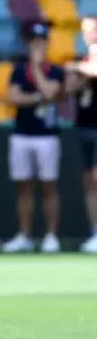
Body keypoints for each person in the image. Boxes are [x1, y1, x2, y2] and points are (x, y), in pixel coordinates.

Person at [1, 22, 65, 253]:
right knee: (23, 187)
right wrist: (38, 98)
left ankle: (51, 236)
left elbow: (50, 92)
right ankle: (24, 235)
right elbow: (12, 97)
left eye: (41, 41)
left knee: (49, 186)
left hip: (47, 136)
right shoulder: (19, 70)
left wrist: (37, 69)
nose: (38, 46)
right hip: (22, 134)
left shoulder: (55, 70)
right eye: (34, 42)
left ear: (47, 44)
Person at [65, 15, 97, 254]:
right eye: (85, 31)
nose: (88, 35)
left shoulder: (85, 62)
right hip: (85, 125)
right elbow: (68, 89)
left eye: (92, 29)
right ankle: (95, 232)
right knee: (89, 181)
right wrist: (79, 75)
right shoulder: (85, 59)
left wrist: (76, 68)